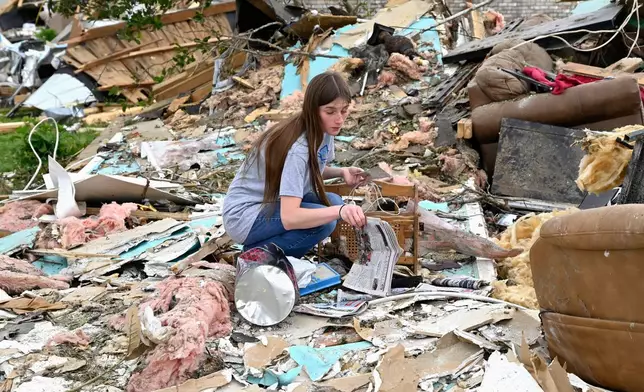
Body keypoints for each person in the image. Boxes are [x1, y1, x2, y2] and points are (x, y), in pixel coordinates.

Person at [222, 71, 368, 258]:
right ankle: (257, 255)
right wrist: (339, 212)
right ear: (312, 110)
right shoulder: (298, 148)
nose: (339, 119)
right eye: (330, 111)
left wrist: (342, 172)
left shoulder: (324, 130)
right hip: (245, 215)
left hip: (271, 201)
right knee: (326, 220)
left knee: (333, 203)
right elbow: (290, 217)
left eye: (344, 110)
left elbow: (303, 172)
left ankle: (268, 245)